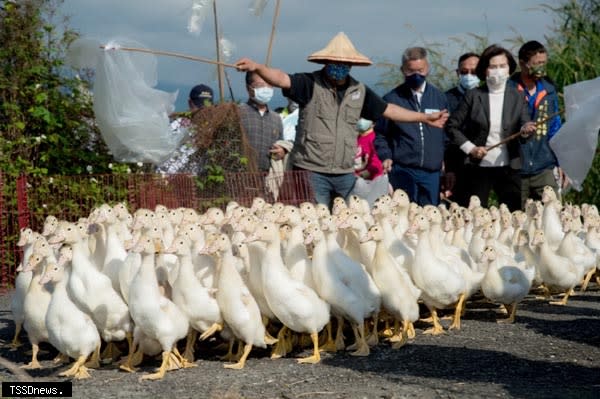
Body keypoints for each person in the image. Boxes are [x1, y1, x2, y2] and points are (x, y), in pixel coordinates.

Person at [234, 32, 448, 208]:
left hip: (344, 172)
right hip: (312, 170)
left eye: (344, 63)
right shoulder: (308, 83)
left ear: (350, 65)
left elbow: (389, 110)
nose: (339, 66)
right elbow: (281, 78)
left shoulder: (359, 90)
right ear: (326, 62)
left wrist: (424, 118)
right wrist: (258, 68)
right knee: (314, 222)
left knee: (345, 223)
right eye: (334, 62)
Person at [445, 44, 536, 211]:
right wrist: (471, 149)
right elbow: (451, 127)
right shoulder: (473, 96)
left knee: (513, 214)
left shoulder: (517, 95)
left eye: (502, 66)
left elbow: (525, 125)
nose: (498, 71)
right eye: (493, 66)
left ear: (509, 69)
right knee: (476, 215)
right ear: (484, 70)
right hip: (478, 167)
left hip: (509, 166)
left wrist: (527, 130)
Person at [374, 47, 449, 206]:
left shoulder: (440, 98)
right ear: (403, 70)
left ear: (427, 68)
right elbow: (380, 134)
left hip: (432, 172)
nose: (416, 75)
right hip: (403, 169)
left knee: (430, 215)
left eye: (420, 70)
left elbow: (446, 133)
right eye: (410, 71)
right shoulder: (391, 99)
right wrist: (385, 155)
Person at [509, 40, 564, 208]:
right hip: (516, 167)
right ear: (523, 64)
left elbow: (555, 127)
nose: (541, 67)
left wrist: (561, 161)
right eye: (537, 63)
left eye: (543, 63)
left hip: (544, 165)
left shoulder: (549, 90)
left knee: (555, 213)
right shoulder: (508, 89)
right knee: (515, 218)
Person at [442, 52, 480, 201]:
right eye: (464, 72)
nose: (469, 76)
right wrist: (448, 168)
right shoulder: (445, 99)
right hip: (455, 164)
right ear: (458, 73)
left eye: (474, 72)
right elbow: (443, 136)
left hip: (483, 164)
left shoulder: (488, 96)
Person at [156, 84, 214, 174]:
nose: (203, 110)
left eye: (206, 107)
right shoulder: (177, 125)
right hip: (168, 179)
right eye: (199, 106)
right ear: (190, 103)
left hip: (196, 181)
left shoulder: (213, 128)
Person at [239, 71, 287, 172]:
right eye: (260, 85)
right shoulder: (238, 112)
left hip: (266, 178)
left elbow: (280, 144)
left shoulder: (276, 118)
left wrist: (282, 151)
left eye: (269, 84)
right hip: (240, 175)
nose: (266, 89)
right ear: (248, 88)